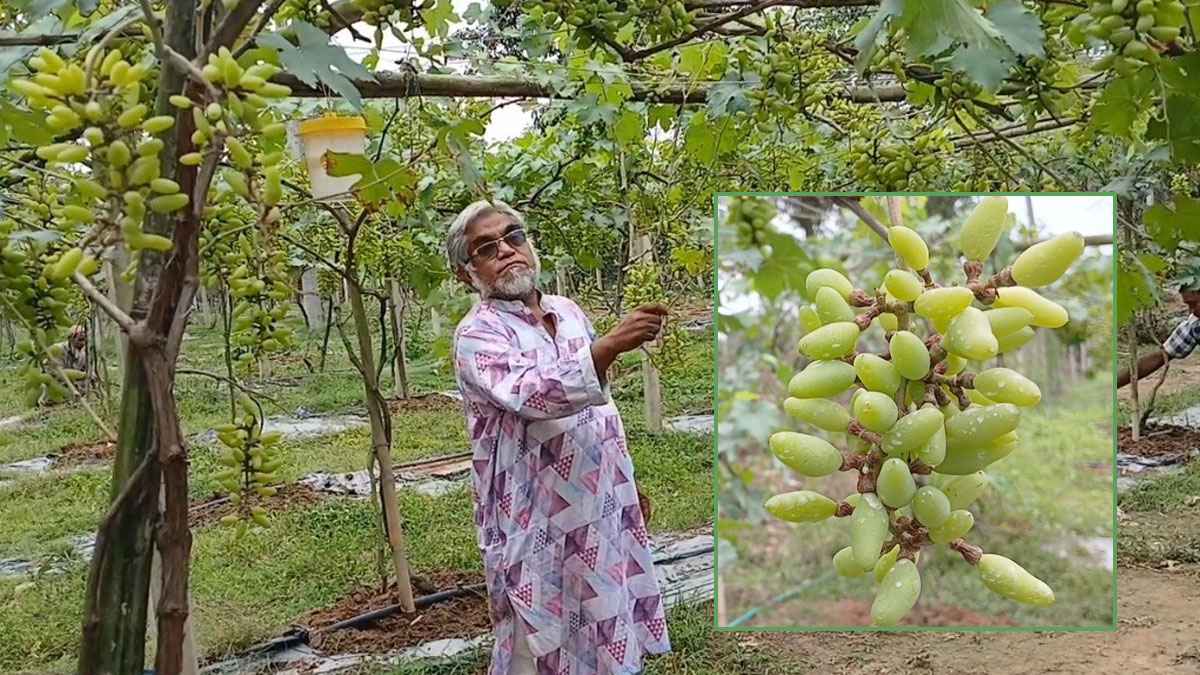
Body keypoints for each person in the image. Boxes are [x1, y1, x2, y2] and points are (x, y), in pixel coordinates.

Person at [447, 199, 671, 675]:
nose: (507, 251)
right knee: (540, 640)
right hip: (536, 521)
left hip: (599, 508)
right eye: (487, 248)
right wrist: (608, 347)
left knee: (608, 623)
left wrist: (624, 484)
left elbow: (598, 409)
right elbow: (534, 394)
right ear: (468, 275)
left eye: (514, 237)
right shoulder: (477, 336)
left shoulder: (568, 313)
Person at [1117, 282, 1200, 388]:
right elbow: (1161, 356)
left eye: (1193, 304)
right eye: (1188, 305)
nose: (1191, 311)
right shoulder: (1194, 325)